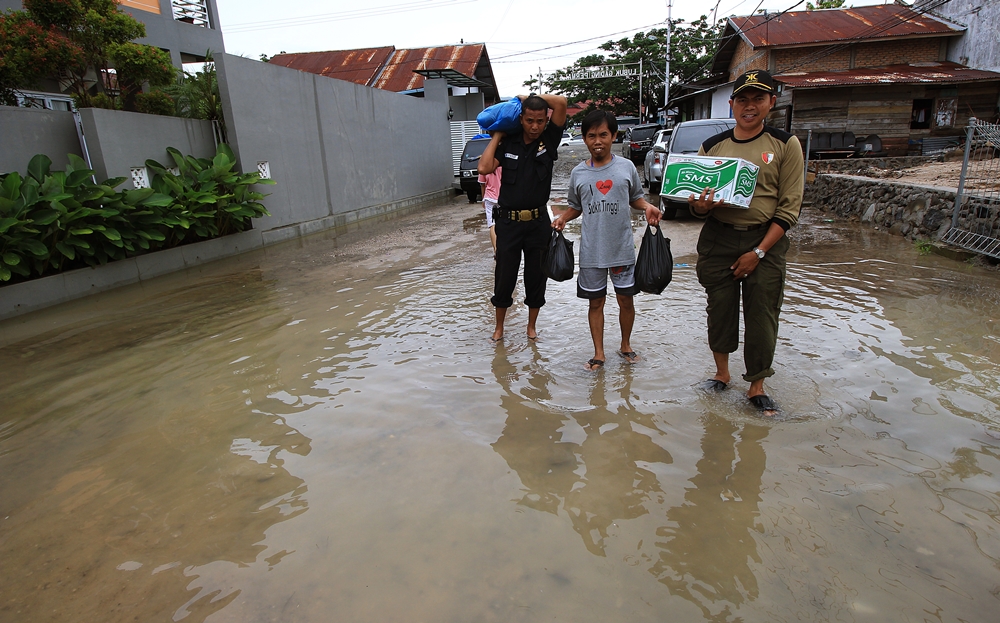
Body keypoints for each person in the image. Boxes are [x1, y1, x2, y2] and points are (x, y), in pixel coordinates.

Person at [687, 69, 804, 415]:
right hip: (719, 239)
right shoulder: (712, 147)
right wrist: (700, 205)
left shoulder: (785, 144)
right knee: (719, 310)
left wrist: (759, 251)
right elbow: (696, 202)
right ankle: (721, 374)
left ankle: (756, 386)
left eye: (757, 98)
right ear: (731, 103)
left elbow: (789, 207)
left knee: (762, 314)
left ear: (771, 102)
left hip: (765, 240)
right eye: (742, 99)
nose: (749, 106)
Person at [551, 110, 661, 371]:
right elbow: (576, 206)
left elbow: (635, 199)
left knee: (626, 300)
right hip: (592, 251)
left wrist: (647, 207)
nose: (597, 141)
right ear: (584, 139)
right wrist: (564, 217)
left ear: (614, 136)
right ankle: (599, 353)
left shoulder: (625, 168)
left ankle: (625, 345)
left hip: (622, 248)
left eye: (603, 135)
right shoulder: (578, 173)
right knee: (595, 302)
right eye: (591, 136)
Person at [478, 93, 568, 343]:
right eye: (530, 120)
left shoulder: (549, 140)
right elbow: (484, 168)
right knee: (504, 276)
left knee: (536, 276)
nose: (535, 126)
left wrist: (527, 96)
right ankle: (499, 328)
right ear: (521, 119)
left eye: (540, 120)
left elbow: (561, 103)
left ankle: (531, 327)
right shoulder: (510, 142)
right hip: (508, 222)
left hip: (538, 223)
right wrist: (498, 134)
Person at [477, 163, 501, 258]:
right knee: (504, 223)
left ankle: (496, 250)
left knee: (492, 225)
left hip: (489, 199)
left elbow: (483, 185)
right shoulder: (503, 164)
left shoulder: (484, 165)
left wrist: (483, 199)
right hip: (503, 198)